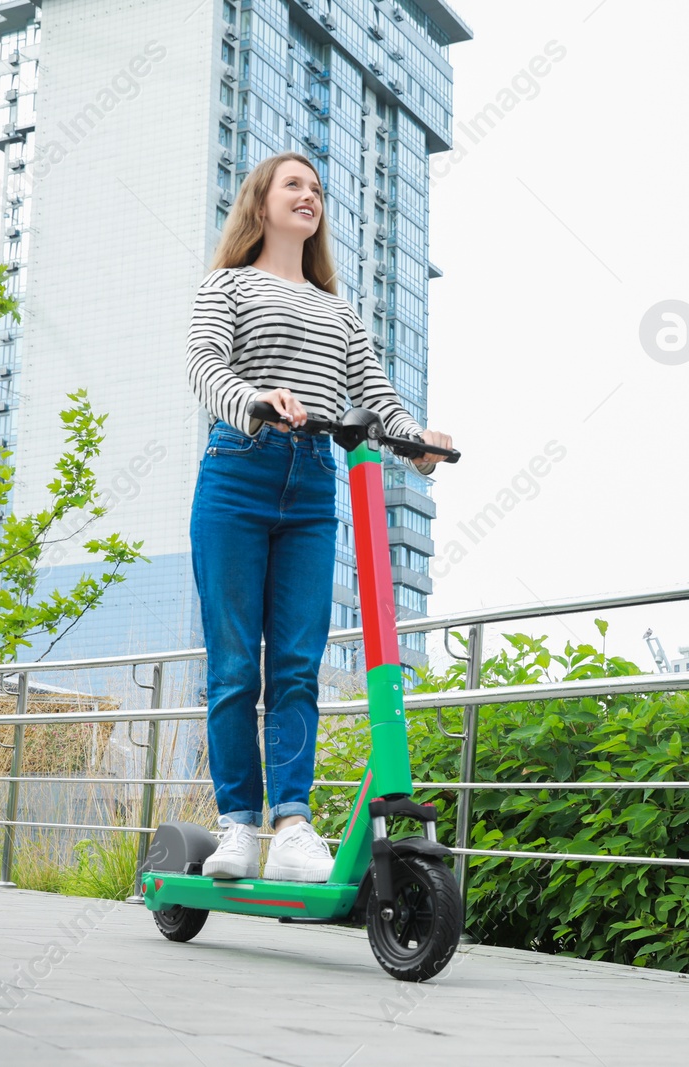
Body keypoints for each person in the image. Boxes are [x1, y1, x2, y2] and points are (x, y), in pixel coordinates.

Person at [185, 152, 453, 882]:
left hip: (311, 487)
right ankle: (238, 822)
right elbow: (204, 364)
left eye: (318, 190)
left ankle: (293, 823)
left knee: (297, 664)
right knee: (238, 663)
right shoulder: (228, 285)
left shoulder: (339, 311)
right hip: (238, 471)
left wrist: (418, 443)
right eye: (294, 185)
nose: (310, 196)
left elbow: (377, 399)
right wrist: (258, 398)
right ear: (261, 204)